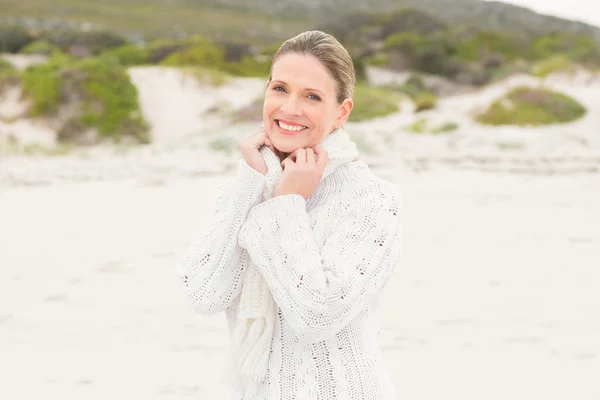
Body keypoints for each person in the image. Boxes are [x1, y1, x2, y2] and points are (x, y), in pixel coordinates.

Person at [177, 30, 402, 400]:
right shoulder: (248, 186)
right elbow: (202, 293)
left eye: (312, 96)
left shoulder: (372, 200)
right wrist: (250, 184)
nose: (290, 108)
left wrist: (285, 205)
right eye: (280, 89)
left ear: (341, 112)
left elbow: (319, 314)